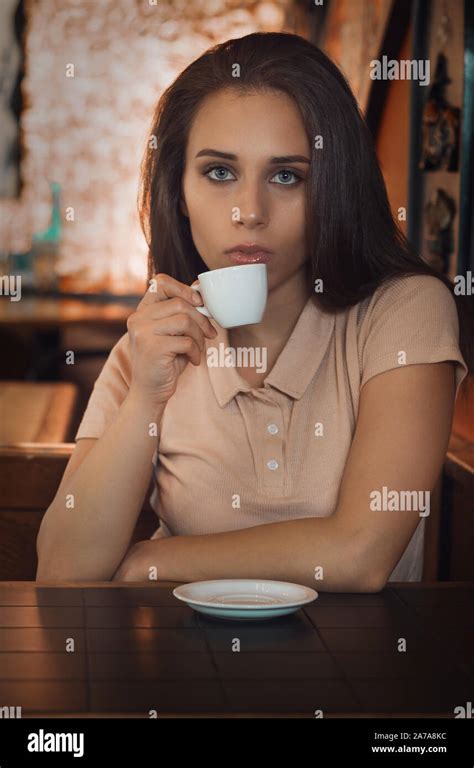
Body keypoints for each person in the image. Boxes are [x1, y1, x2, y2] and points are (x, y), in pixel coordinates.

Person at [36, 33, 471, 590]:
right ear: (179, 190)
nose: (249, 212)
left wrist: (150, 563)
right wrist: (147, 393)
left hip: (363, 673)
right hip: (183, 668)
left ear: (333, 187)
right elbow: (64, 568)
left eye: (286, 175)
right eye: (220, 173)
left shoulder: (403, 312)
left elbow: (360, 553)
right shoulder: (149, 347)